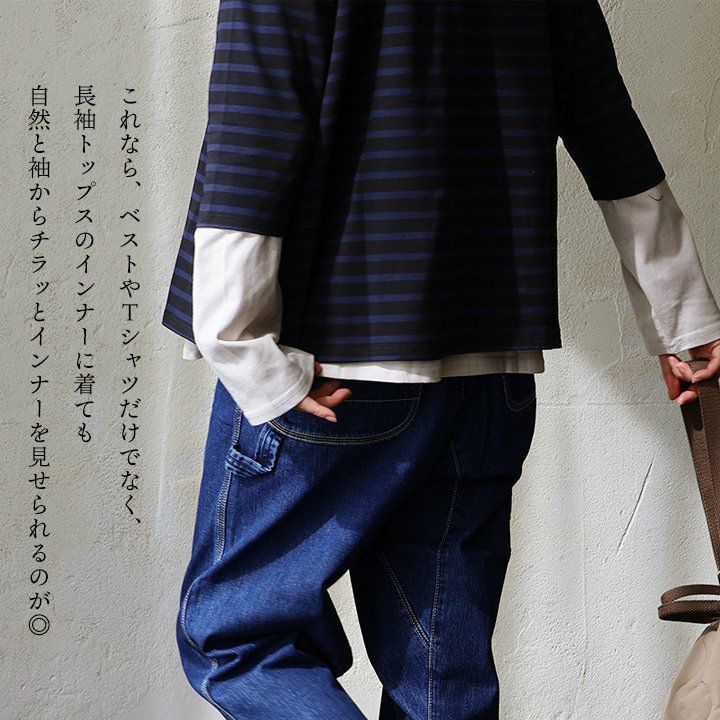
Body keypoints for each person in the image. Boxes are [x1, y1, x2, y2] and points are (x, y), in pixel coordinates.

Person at [161, 2, 720, 718]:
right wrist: (683, 318)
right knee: (441, 680)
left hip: (330, 359)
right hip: (489, 364)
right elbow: (606, 125)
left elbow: (257, 125)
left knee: (240, 639)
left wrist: (240, 341)